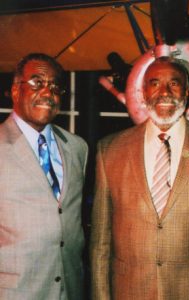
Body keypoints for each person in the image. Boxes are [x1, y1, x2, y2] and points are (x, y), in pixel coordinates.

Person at [90, 56, 189, 300]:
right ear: (143, 91)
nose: (164, 92)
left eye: (174, 83)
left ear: (187, 91)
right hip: (129, 291)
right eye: (155, 83)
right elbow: (100, 244)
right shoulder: (109, 150)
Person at [0, 53, 88, 300]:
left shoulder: (77, 147)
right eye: (37, 83)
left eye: (55, 86)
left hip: (70, 290)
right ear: (15, 92)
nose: (48, 93)